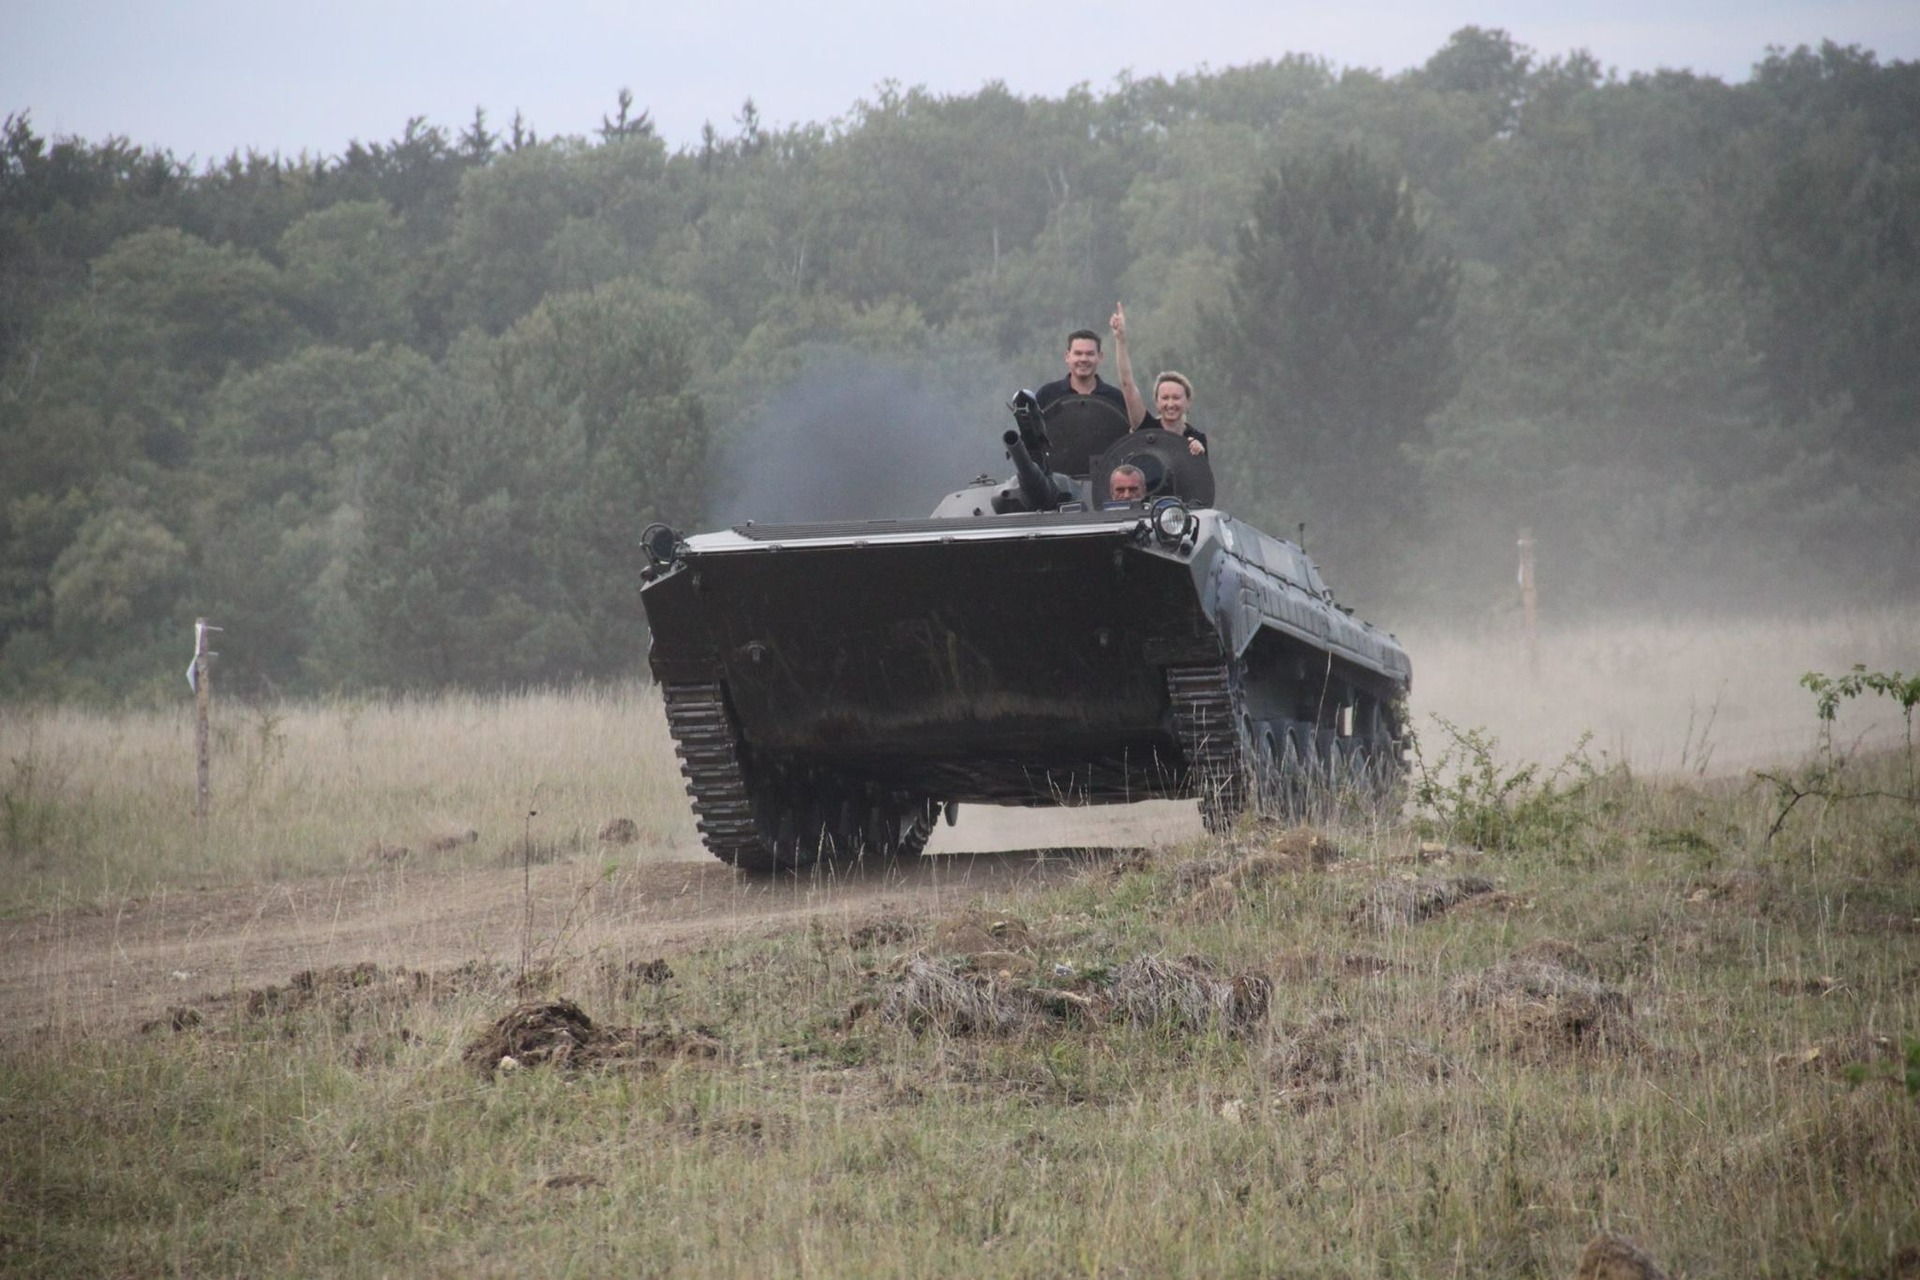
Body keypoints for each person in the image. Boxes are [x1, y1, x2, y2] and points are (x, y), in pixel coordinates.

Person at [1109, 303, 1208, 456]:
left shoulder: (1196, 437)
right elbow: (1127, 386)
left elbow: (1201, 477)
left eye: (1176, 398)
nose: (1170, 404)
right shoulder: (1146, 427)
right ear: (1157, 402)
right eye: (1165, 398)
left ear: (1188, 402)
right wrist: (1120, 340)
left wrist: (1199, 452)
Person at [1034, 328, 1129, 417]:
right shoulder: (1047, 395)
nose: (1083, 359)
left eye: (1090, 354)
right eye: (1078, 353)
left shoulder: (1115, 398)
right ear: (1067, 356)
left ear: (1100, 357)